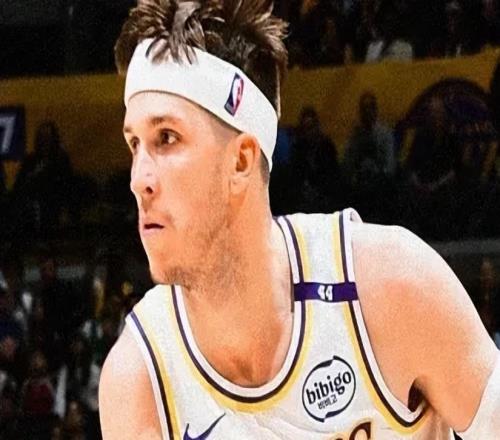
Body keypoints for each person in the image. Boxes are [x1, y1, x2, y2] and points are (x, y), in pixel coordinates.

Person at [99, 1, 500, 439]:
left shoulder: (389, 285)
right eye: (134, 144)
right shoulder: (139, 380)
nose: (139, 179)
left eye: (167, 138)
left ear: (241, 161)